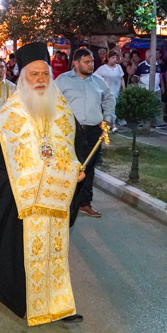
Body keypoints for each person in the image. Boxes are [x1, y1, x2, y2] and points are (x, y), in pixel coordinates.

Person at [0, 41, 86, 326]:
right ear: (22, 76)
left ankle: (59, 304)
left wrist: (76, 169)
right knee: (19, 253)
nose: (40, 80)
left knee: (57, 251)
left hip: (55, 195)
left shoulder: (62, 110)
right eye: (33, 74)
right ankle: (18, 298)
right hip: (22, 199)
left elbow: (74, 146)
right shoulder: (7, 116)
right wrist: (13, 186)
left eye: (44, 74)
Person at [55, 48, 114, 218]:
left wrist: (107, 118)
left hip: (93, 131)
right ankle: (64, 203)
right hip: (70, 132)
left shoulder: (98, 81)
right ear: (76, 63)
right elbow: (53, 102)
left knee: (88, 168)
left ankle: (84, 203)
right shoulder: (63, 81)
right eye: (87, 62)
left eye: (92, 62)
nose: (91, 65)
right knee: (69, 167)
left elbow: (109, 98)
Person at [134, 49, 166, 128]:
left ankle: (159, 122)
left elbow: (160, 76)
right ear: (146, 57)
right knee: (144, 105)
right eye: (150, 56)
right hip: (144, 89)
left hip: (156, 88)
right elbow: (136, 77)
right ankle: (142, 122)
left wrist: (162, 86)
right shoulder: (141, 65)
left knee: (158, 105)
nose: (152, 58)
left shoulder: (158, 65)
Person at [94, 50, 125, 129]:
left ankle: (108, 123)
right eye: (113, 57)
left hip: (116, 91)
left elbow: (122, 78)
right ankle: (113, 125)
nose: (114, 59)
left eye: (115, 58)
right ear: (108, 58)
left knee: (114, 107)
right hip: (107, 92)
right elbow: (94, 77)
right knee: (111, 107)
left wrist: (123, 89)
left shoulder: (118, 67)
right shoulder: (102, 68)